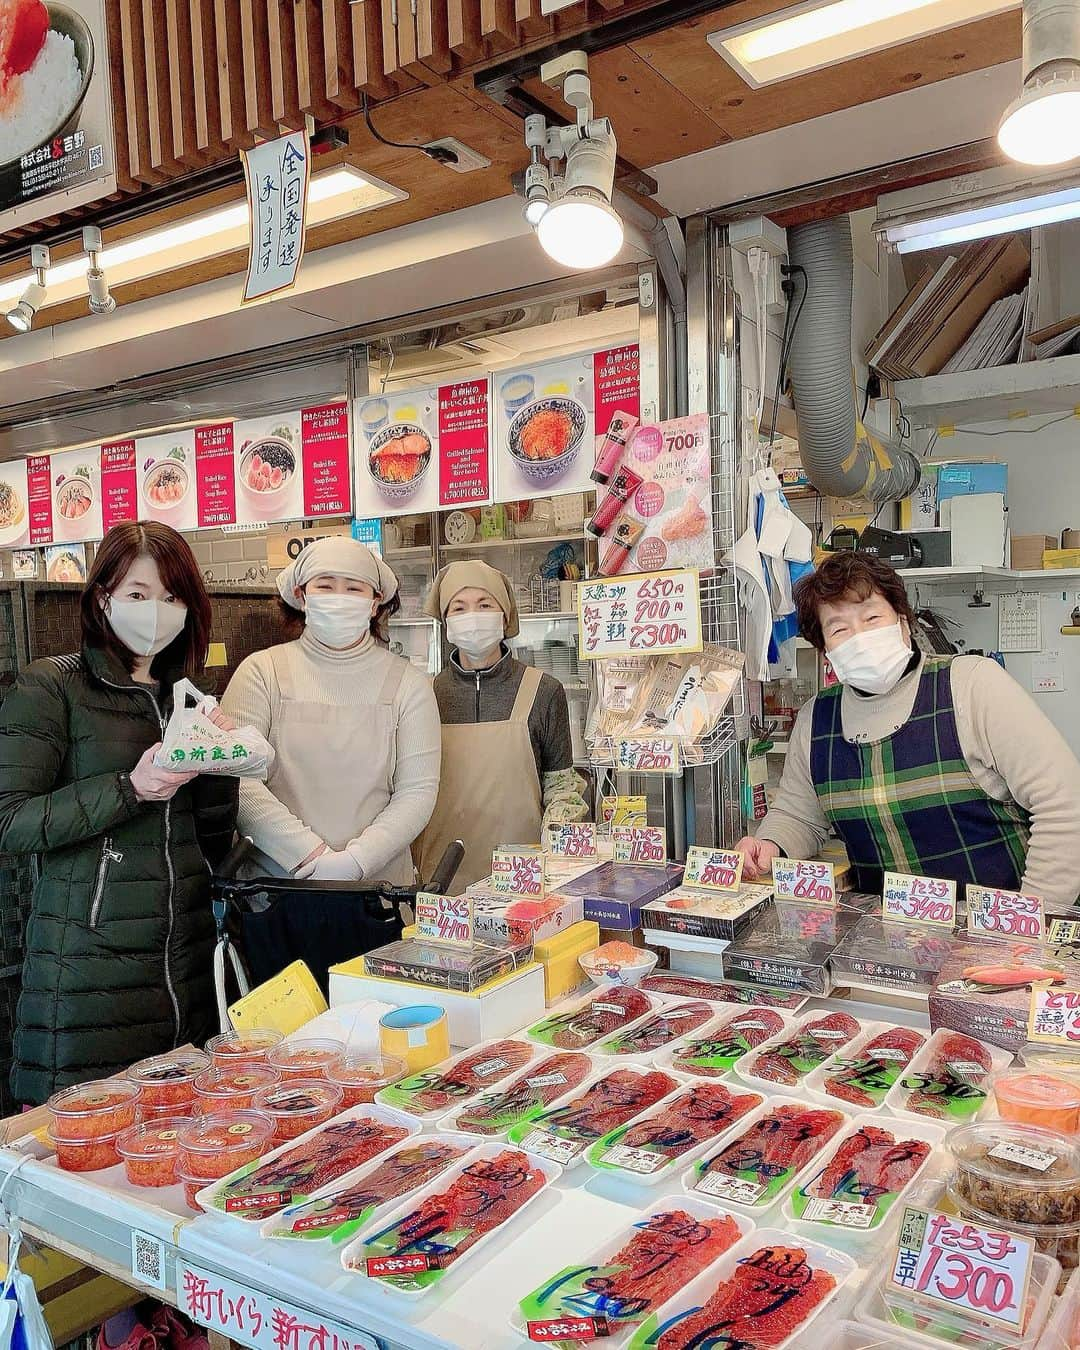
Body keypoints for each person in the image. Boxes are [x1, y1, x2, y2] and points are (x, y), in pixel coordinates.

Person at [0, 523, 238, 1105]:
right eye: (137, 594)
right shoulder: (51, 687)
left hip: (182, 974)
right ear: (102, 596)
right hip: (85, 981)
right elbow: (10, 822)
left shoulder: (181, 696)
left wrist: (219, 761)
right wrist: (130, 788)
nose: (155, 611)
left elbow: (207, 842)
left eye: (171, 596)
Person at [736, 550, 1080, 907]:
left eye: (872, 617)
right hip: (891, 942)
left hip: (999, 935)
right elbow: (799, 814)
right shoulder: (817, 718)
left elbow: (1064, 806)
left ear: (903, 621)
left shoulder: (972, 685)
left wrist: (1031, 920)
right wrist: (770, 843)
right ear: (825, 651)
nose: (860, 638)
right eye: (839, 629)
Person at [220, 538, 440, 981]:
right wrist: (311, 857)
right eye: (326, 585)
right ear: (300, 594)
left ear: (377, 602)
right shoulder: (261, 671)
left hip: (377, 898)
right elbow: (236, 780)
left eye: (354, 588)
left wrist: (354, 862)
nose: (339, 598)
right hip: (274, 895)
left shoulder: (408, 683)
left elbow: (417, 791)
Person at [417, 560, 588, 892]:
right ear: (446, 621)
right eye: (459, 607)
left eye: (485, 605)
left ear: (505, 615)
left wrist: (553, 862)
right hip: (441, 881)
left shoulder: (543, 690)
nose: (472, 616)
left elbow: (563, 791)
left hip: (523, 879)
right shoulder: (423, 696)